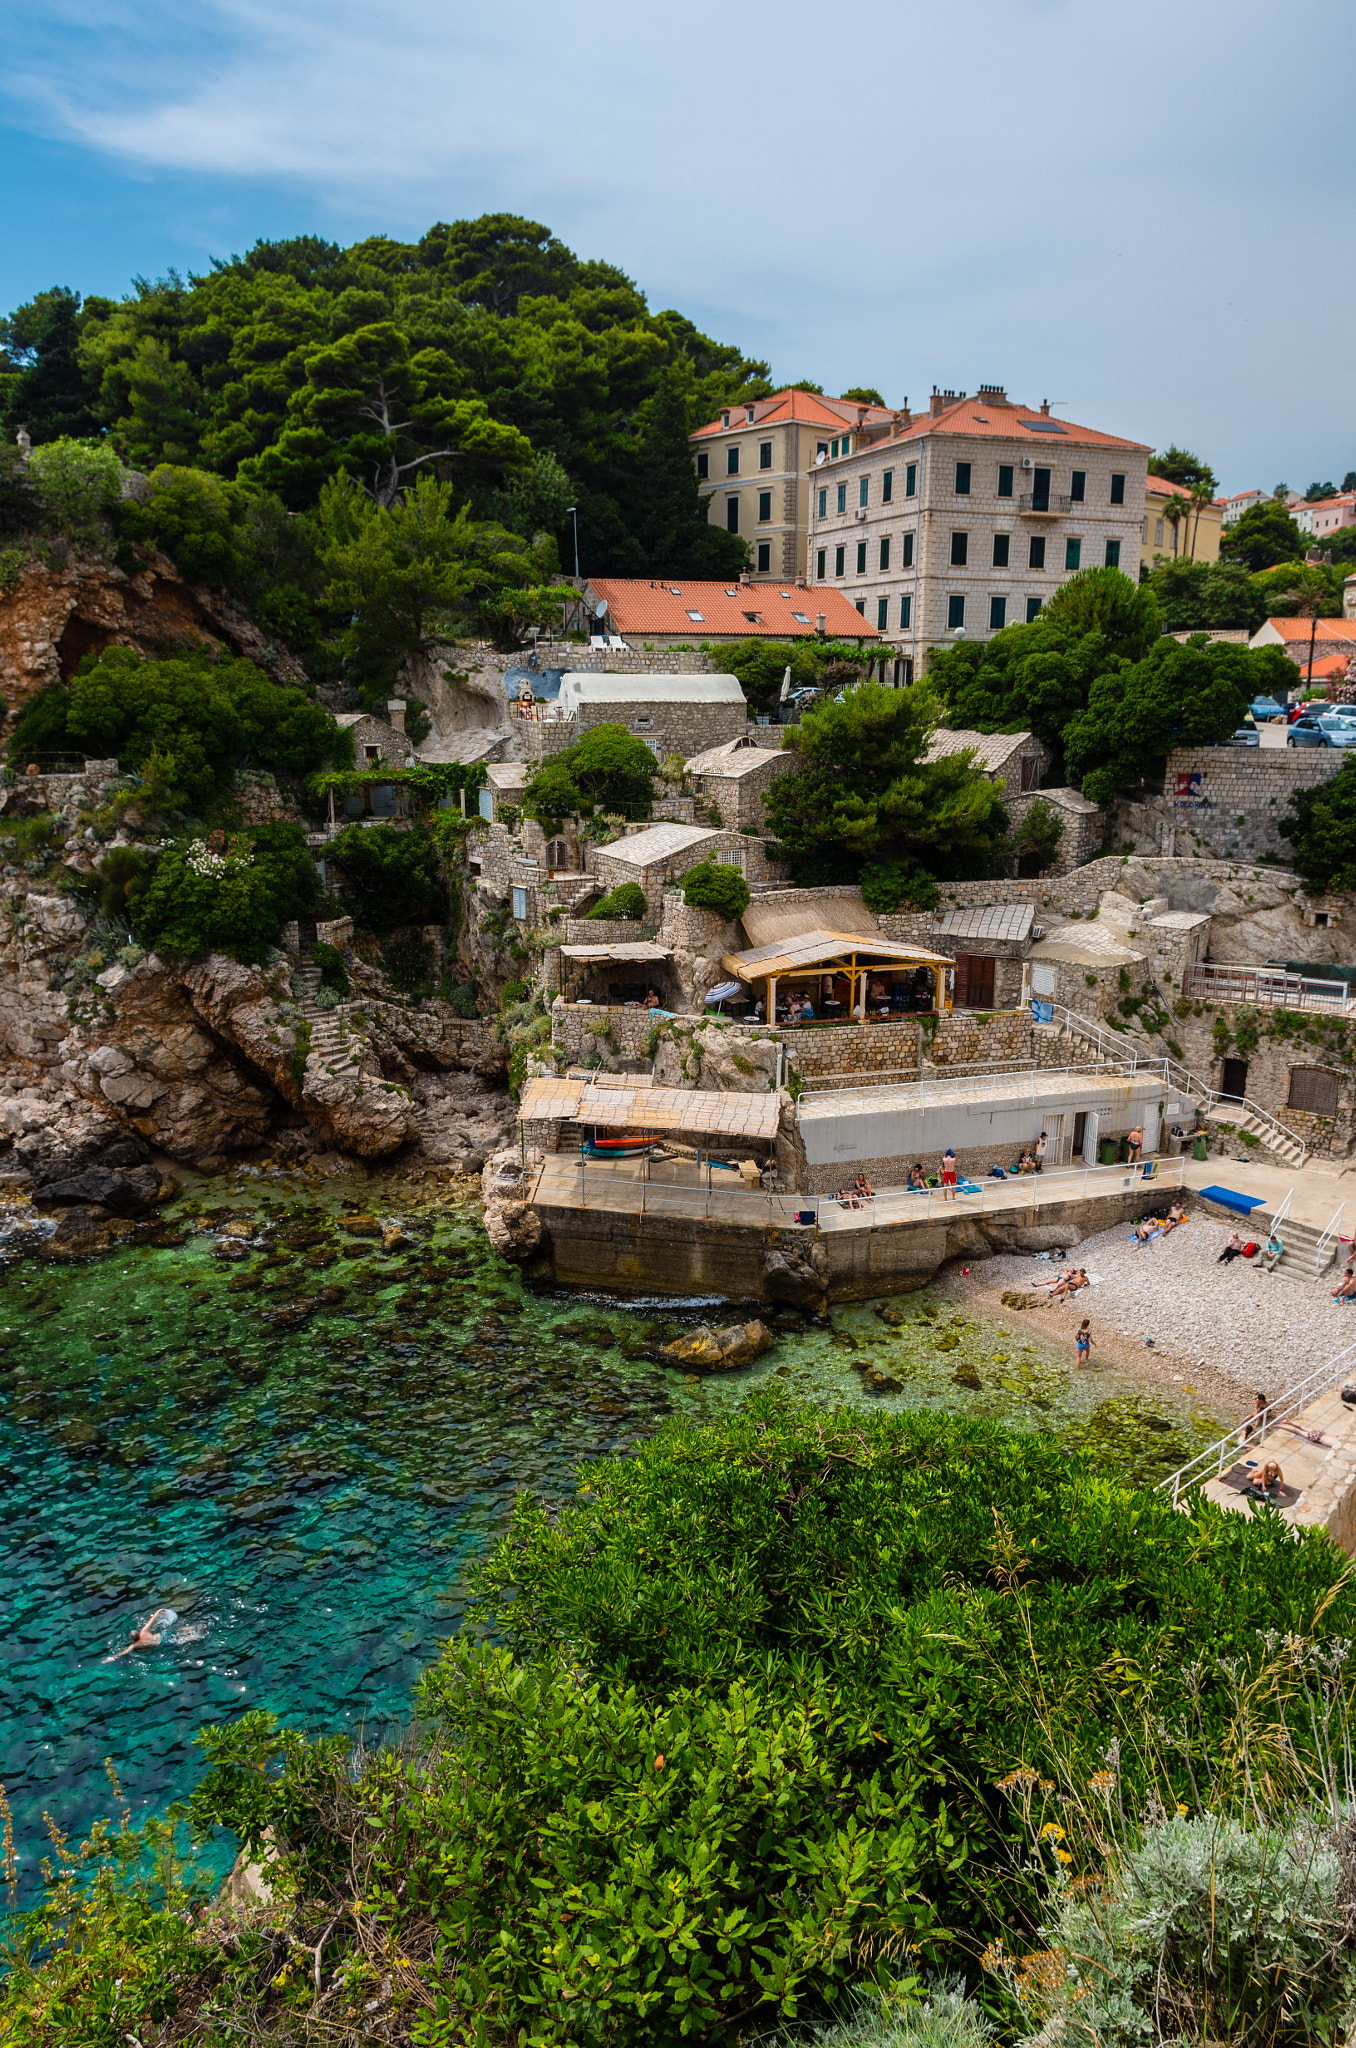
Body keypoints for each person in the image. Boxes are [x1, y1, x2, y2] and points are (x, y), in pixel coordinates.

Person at [108, 1607, 177, 1661]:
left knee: (181, 1640)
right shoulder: (143, 1632)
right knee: (179, 1631)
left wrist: (112, 1657)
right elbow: (151, 1621)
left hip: (163, 1643)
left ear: (131, 1639)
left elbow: (124, 1652)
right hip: (163, 1635)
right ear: (138, 1633)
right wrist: (157, 1612)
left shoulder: (134, 1645)